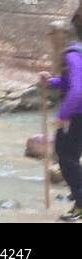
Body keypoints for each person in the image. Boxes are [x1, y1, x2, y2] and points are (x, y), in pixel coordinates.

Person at [38, 19, 82, 221]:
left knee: (66, 158)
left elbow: (77, 90)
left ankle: (80, 205)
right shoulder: (76, 52)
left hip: (76, 115)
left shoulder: (71, 55)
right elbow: (68, 83)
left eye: (51, 35)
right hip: (76, 114)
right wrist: (52, 81)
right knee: (68, 156)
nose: (50, 40)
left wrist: (62, 115)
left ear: (61, 36)